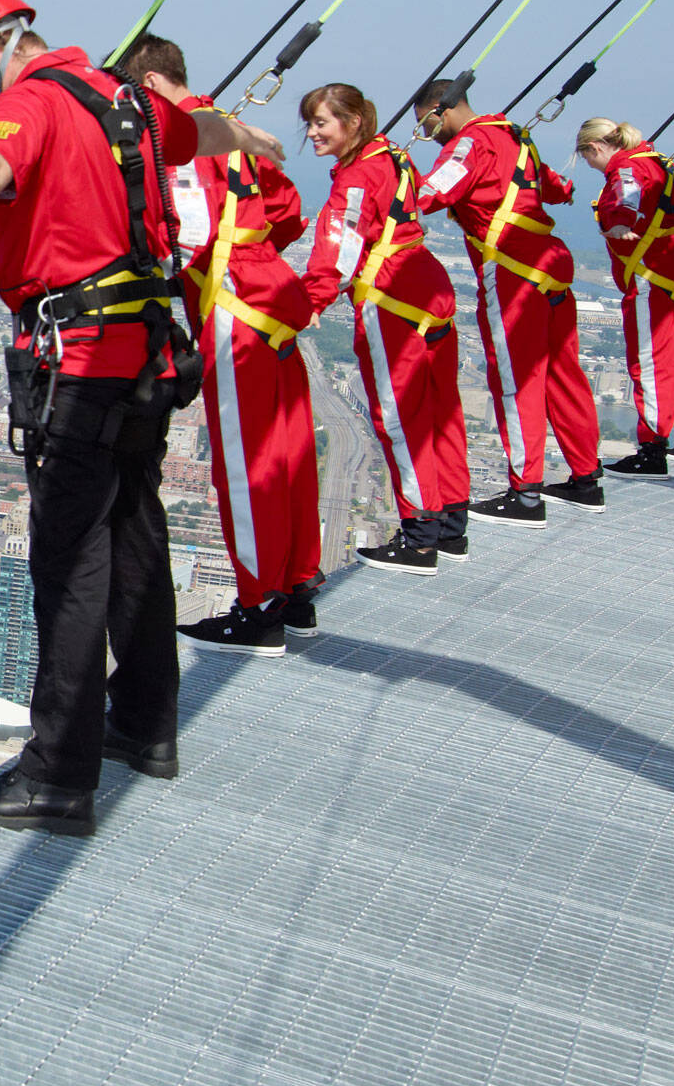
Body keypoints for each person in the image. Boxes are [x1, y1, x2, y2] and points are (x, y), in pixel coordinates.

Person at [0, 0, 244, 836]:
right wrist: (251, 138)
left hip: (81, 363)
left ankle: (58, 774)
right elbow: (201, 133)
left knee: (68, 564)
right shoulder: (127, 98)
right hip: (148, 348)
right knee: (138, 533)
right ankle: (146, 725)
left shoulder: (29, 103)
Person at [113, 36, 319, 657]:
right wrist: (255, 252)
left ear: (148, 88)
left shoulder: (185, 145)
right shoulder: (233, 131)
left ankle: (258, 609)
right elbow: (289, 208)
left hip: (234, 310)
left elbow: (189, 235)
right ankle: (295, 587)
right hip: (272, 298)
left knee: (247, 464)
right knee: (288, 455)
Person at [409, 74, 605, 523]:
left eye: (425, 126)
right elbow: (555, 188)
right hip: (551, 264)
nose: (425, 135)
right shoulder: (517, 136)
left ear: (442, 110)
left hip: (513, 270)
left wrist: (390, 182)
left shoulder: (467, 145)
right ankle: (585, 478)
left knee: (517, 381)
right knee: (563, 372)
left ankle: (526, 493)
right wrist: (567, 192)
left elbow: (430, 194)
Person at [296, 80, 474, 573]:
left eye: (321, 123)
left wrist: (315, 297)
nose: (312, 133)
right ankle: (450, 524)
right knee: (440, 410)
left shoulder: (353, 178)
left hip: (390, 297)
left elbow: (340, 239)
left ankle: (419, 537)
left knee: (398, 417)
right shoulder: (393, 156)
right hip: (427, 285)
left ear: (351, 124)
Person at [576, 117, 674, 472]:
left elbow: (627, 194)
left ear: (594, 148)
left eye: (589, 159)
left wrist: (621, 220)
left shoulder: (626, 168)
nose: (593, 167)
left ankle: (652, 449)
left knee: (651, 362)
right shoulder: (661, 163)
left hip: (649, 277)